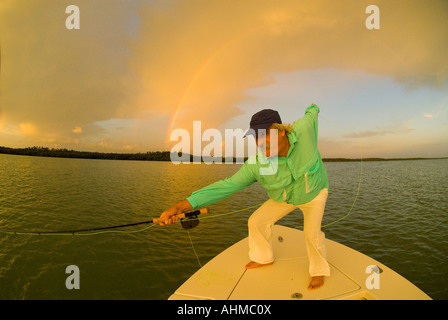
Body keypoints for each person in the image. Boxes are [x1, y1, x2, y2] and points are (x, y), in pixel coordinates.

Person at [158, 104, 330, 290]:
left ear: (281, 132)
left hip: (315, 192)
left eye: (265, 134)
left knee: (311, 232)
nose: (260, 141)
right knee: (256, 221)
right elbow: (227, 185)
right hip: (285, 198)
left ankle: (318, 271)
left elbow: (312, 111)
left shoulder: (304, 129)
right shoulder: (256, 164)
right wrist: (180, 206)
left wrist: (314, 107)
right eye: (256, 136)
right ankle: (263, 258)